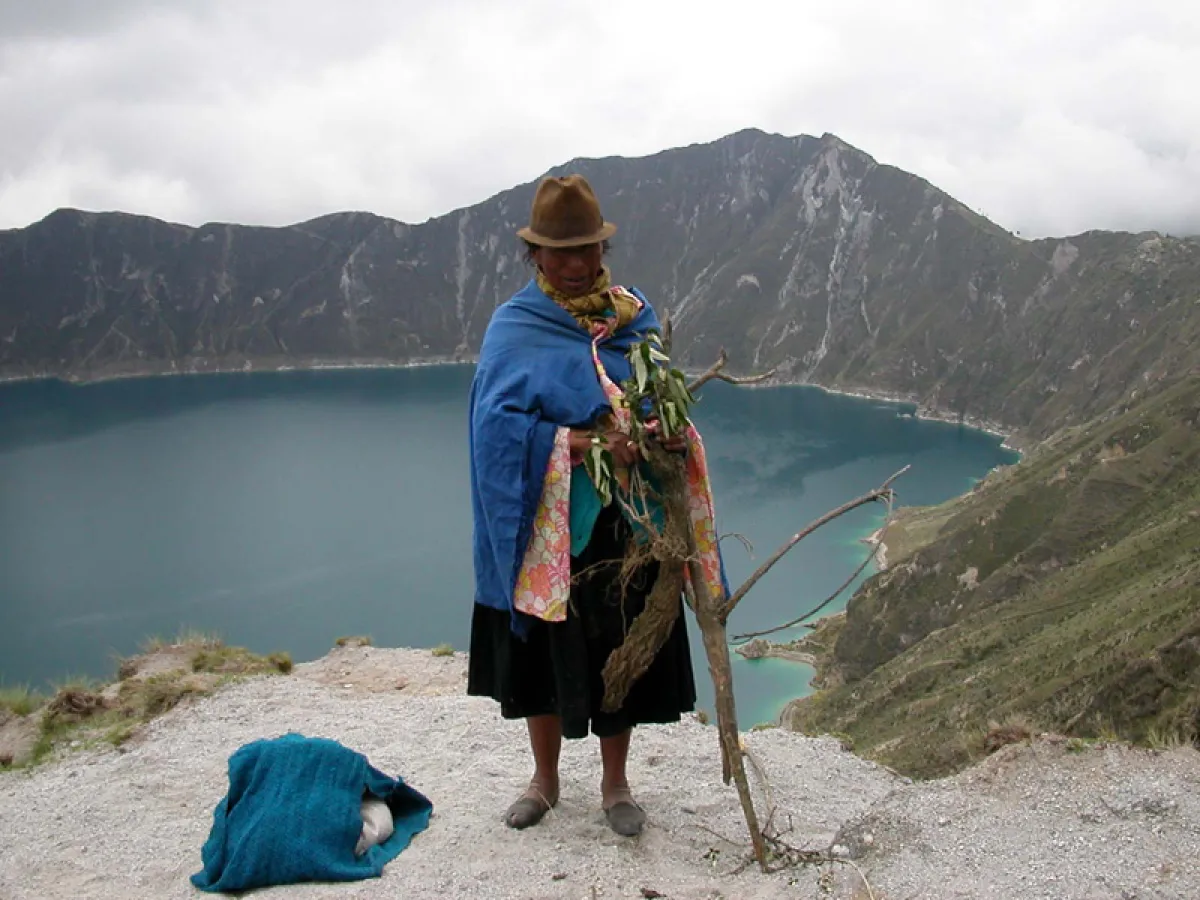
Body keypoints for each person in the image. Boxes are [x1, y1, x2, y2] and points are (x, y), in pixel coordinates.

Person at [467, 174, 725, 837]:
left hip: (626, 520)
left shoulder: (632, 318)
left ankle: (616, 784)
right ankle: (544, 780)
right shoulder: (515, 327)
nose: (576, 264)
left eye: (586, 249)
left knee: (621, 641)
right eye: (560, 252)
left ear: (602, 248)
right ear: (535, 255)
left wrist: (663, 432)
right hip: (547, 524)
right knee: (542, 649)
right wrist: (572, 444)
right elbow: (494, 429)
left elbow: (654, 398)